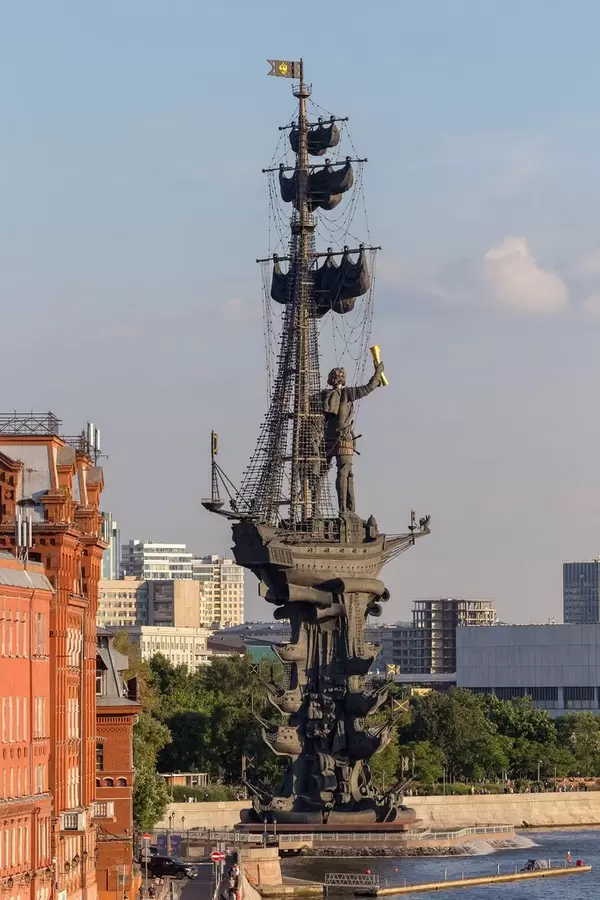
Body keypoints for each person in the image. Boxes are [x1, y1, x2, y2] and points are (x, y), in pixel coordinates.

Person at [322, 363, 385, 514]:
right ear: (343, 380)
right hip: (343, 440)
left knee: (320, 474)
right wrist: (378, 373)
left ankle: (338, 509)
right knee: (345, 473)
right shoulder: (348, 394)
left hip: (326, 438)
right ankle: (346, 510)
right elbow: (369, 388)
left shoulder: (324, 396)